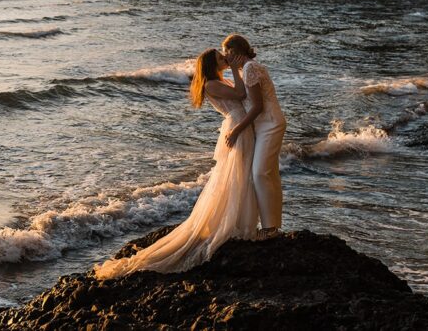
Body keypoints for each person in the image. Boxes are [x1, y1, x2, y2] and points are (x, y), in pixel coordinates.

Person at [93, 48, 258, 279]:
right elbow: (241, 95)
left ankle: (237, 221)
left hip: (240, 127)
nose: (226, 59)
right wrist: (235, 67)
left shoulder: (219, 80)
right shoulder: (211, 84)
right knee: (235, 176)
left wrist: (245, 66)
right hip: (237, 129)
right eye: (222, 58)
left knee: (240, 175)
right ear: (212, 64)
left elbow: (245, 92)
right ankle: (229, 224)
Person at [221, 34, 287, 239]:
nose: (225, 58)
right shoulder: (248, 67)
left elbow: (257, 106)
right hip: (266, 124)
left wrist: (237, 130)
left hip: (270, 123)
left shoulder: (249, 68)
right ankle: (272, 226)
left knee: (260, 174)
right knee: (269, 174)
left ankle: (269, 230)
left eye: (227, 53)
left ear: (234, 52)